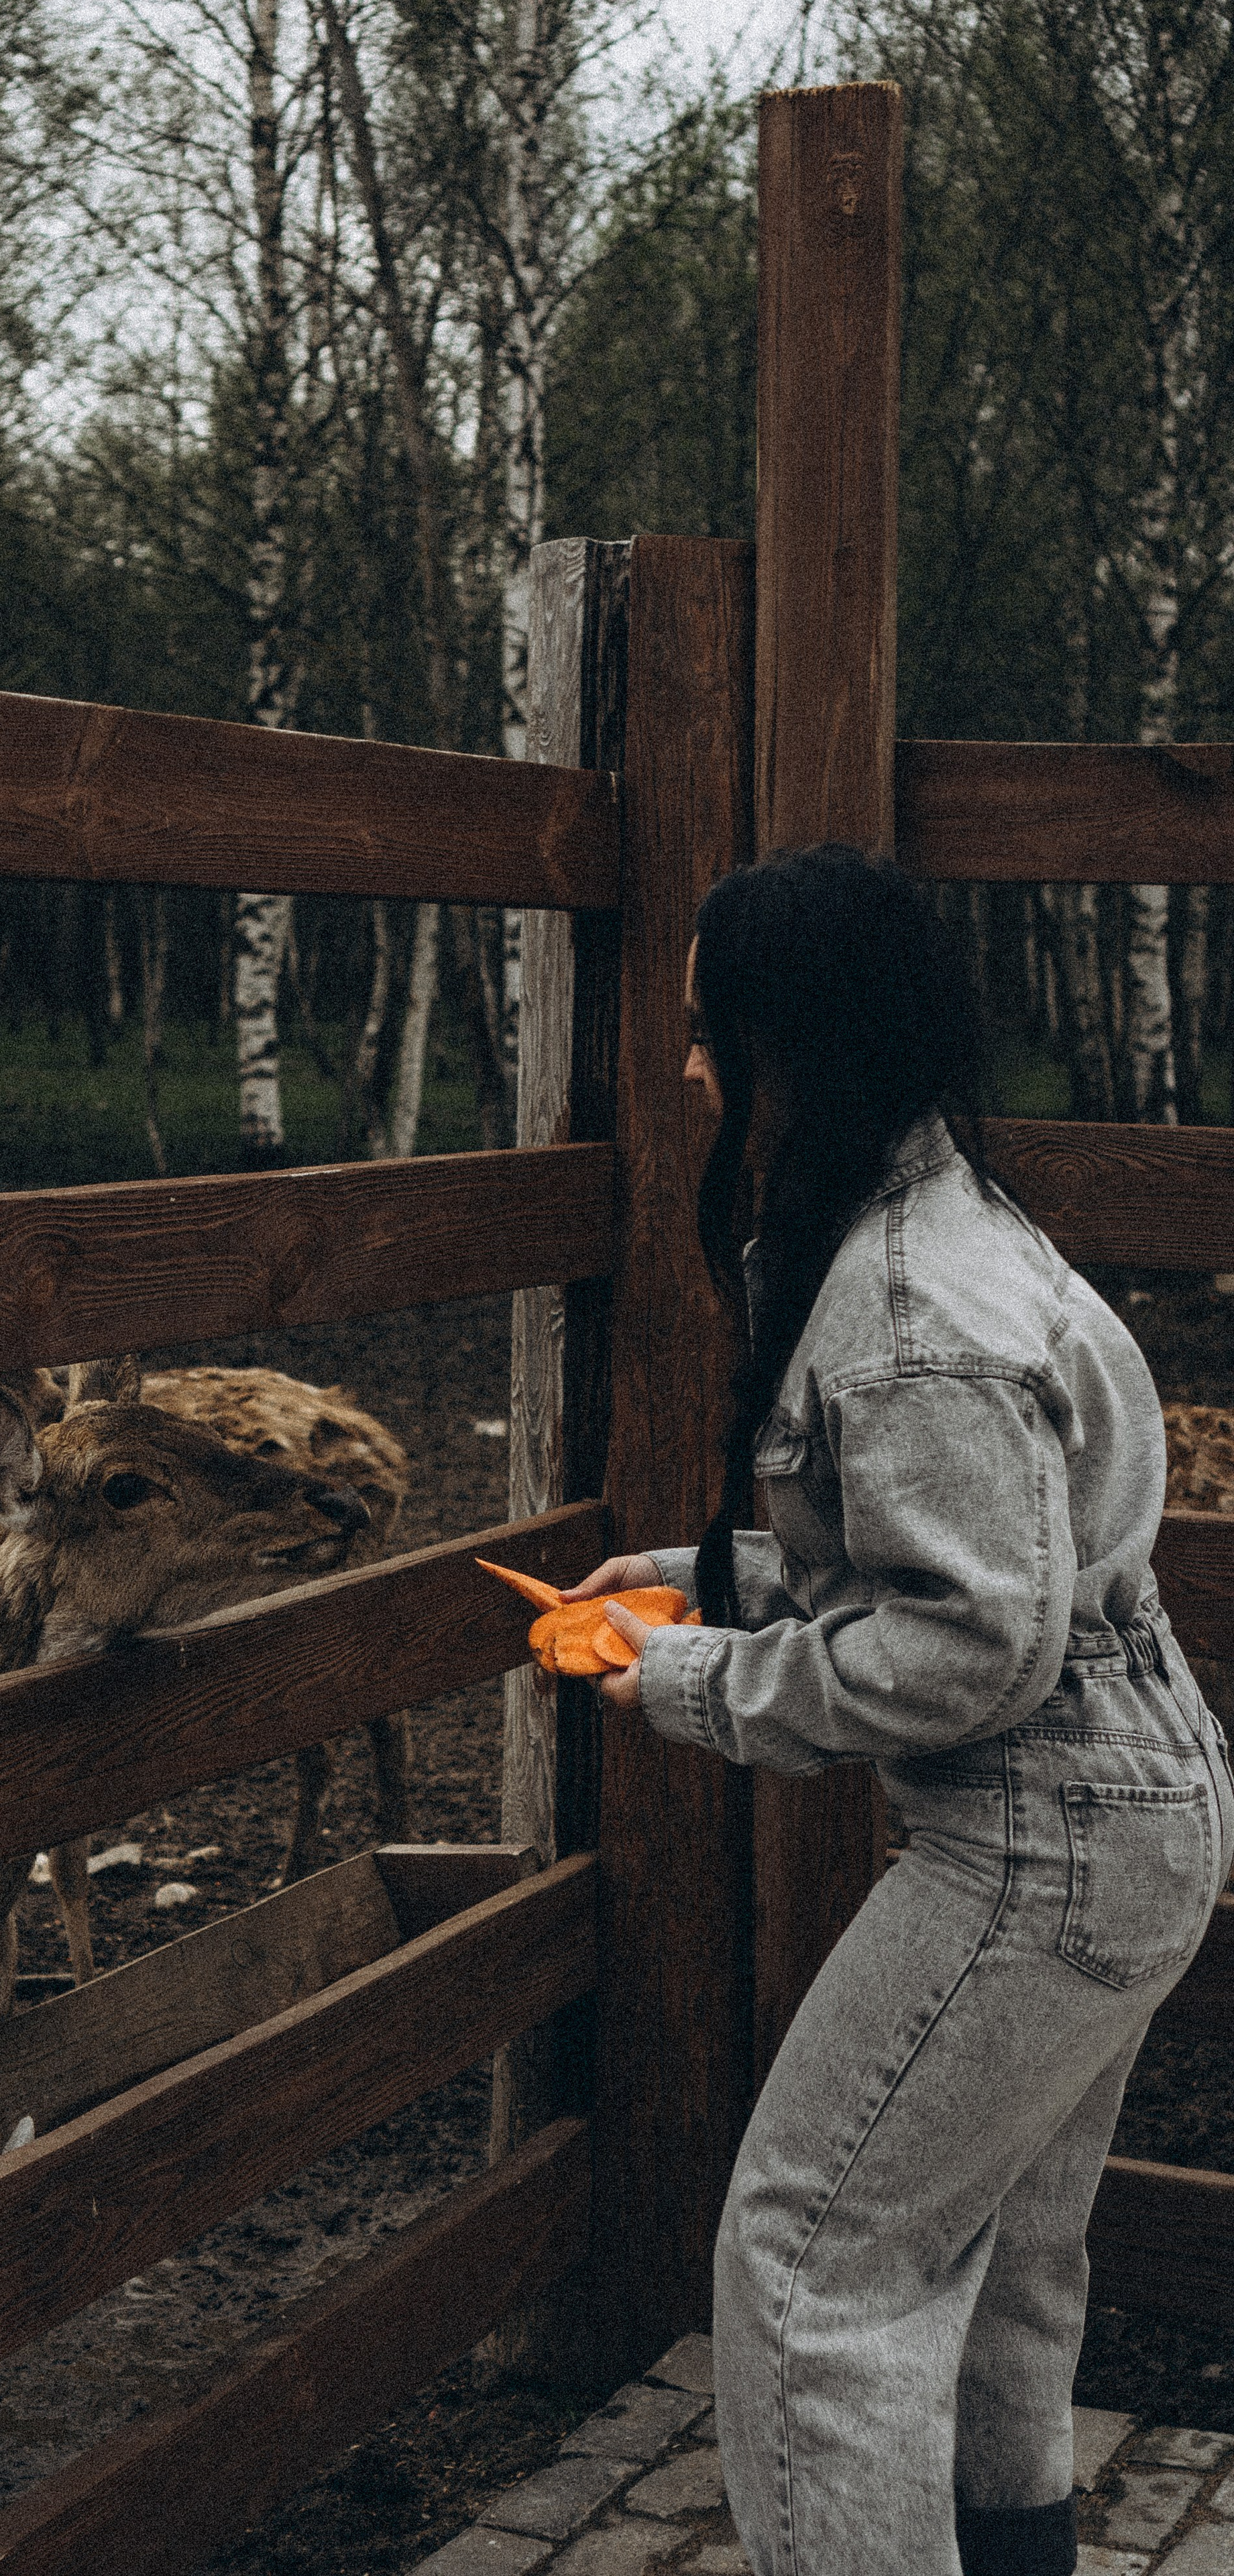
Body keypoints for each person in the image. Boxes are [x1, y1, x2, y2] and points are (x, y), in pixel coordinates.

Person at [565, 846, 1234, 2576]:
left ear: (797, 1041)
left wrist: (691, 1681)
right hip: (1128, 1809)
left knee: (808, 2269)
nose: (694, 1064)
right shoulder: (946, 1225)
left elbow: (967, 1646)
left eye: (714, 1027)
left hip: (1045, 1834)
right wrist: (695, 1581)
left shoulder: (909, 1310)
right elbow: (975, 1556)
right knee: (1006, 2258)